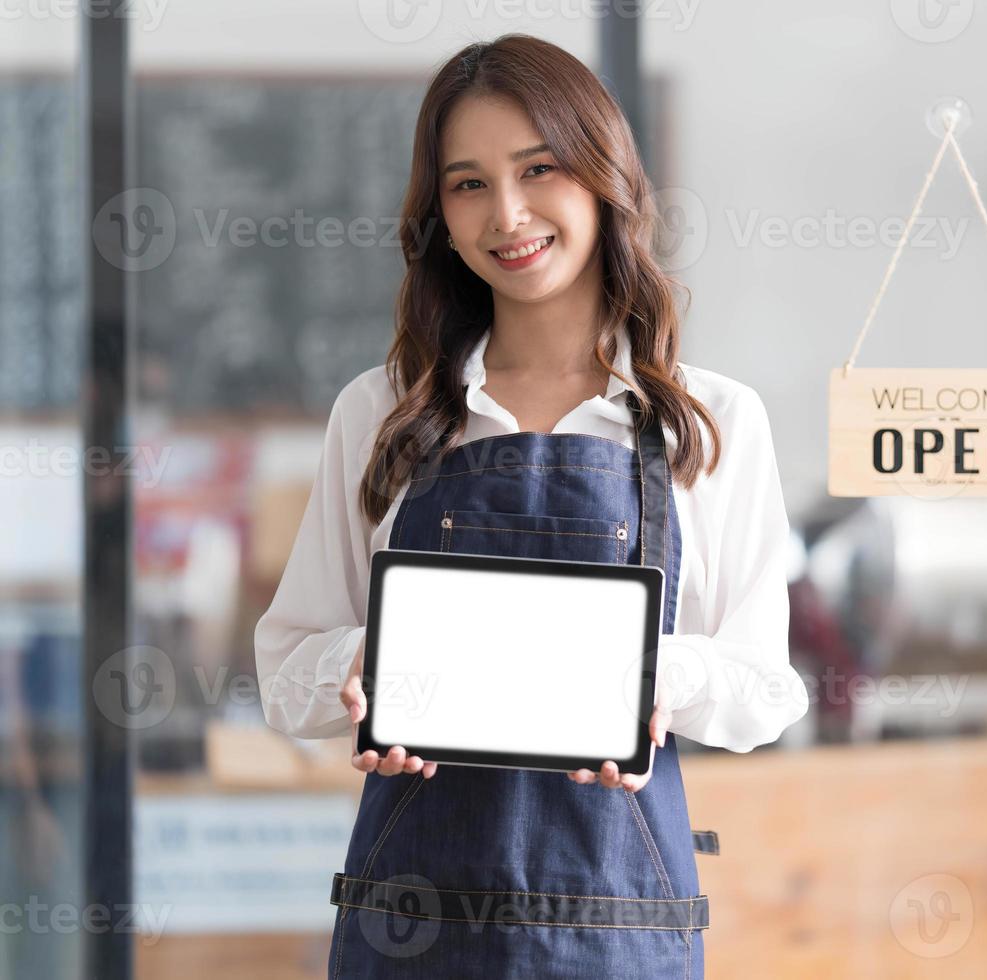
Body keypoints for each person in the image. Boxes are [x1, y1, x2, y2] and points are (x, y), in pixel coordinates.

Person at [252, 34, 808, 978]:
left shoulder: (709, 423)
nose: (505, 214)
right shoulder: (383, 410)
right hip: (408, 930)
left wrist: (640, 675)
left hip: (616, 930)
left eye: (537, 168)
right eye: (467, 184)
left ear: (602, 176)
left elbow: (765, 694)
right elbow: (283, 675)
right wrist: (368, 662)